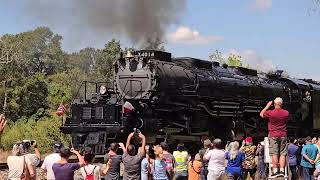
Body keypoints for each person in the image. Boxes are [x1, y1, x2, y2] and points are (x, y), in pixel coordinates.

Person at [260, 97, 289, 177]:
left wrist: (267, 106)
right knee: (283, 153)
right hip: (283, 134)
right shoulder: (286, 113)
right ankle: (282, 171)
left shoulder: (271, 112)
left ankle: (275, 171)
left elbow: (261, 114)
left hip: (273, 135)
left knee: (274, 153)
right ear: (281, 104)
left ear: (274, 104)